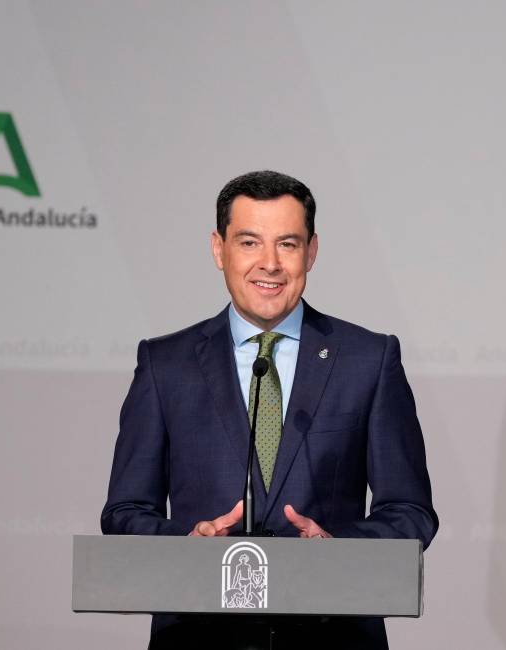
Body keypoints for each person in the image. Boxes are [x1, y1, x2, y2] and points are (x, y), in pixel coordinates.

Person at [101, 170, 437, 649]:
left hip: (332, 637)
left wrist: (338, 551)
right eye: (249, 242)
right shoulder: (165, 364)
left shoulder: (369, 359)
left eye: (287, 244)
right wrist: (187, 545)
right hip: (200, 637)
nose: (269, 264)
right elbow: (125, 510)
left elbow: (410, 511)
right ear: (219, 250)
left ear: (312, 251)